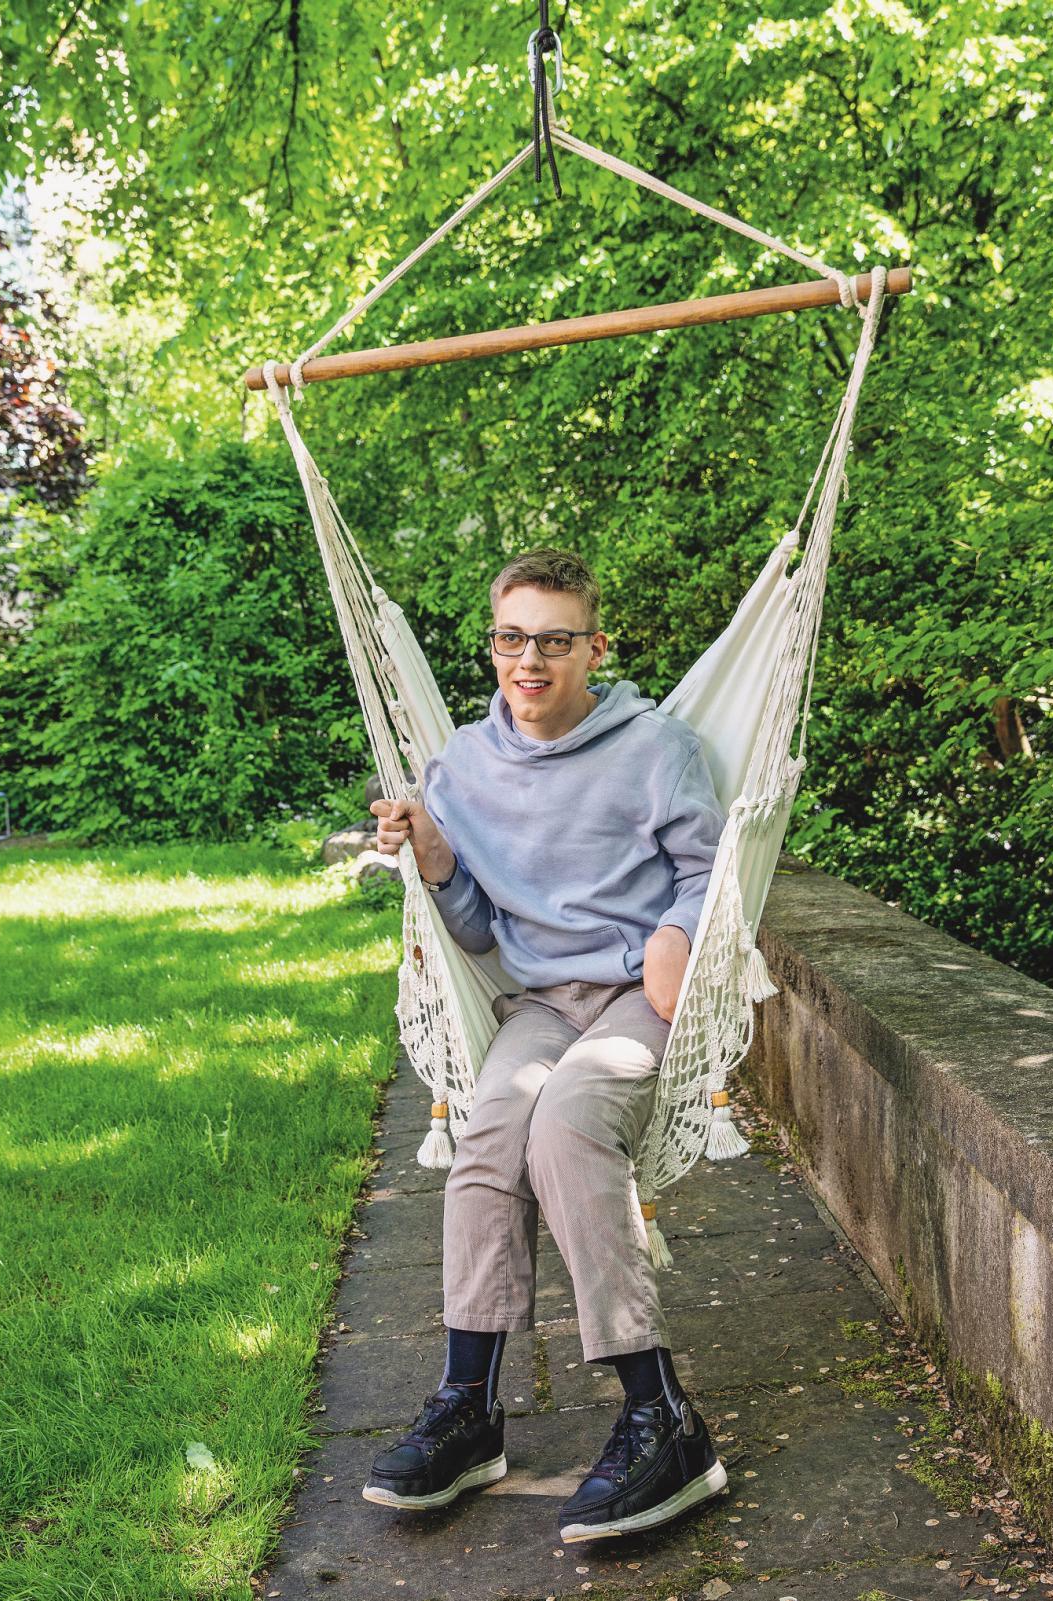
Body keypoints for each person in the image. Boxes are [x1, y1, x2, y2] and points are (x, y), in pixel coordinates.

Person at [361, 547, 729, 1542]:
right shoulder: (464, 767)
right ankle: (468, 1406)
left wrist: (678, 931)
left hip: (637, 1000)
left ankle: (663, 1413)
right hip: (538, 1001)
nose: (531, 660)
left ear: (594, 647)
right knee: (487, 1133)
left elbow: (711, 872)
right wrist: (436, 857)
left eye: (555, 640)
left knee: (567, 1127)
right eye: (511, 638)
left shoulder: (657, 748)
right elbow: (476, 931)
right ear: (493, 647)